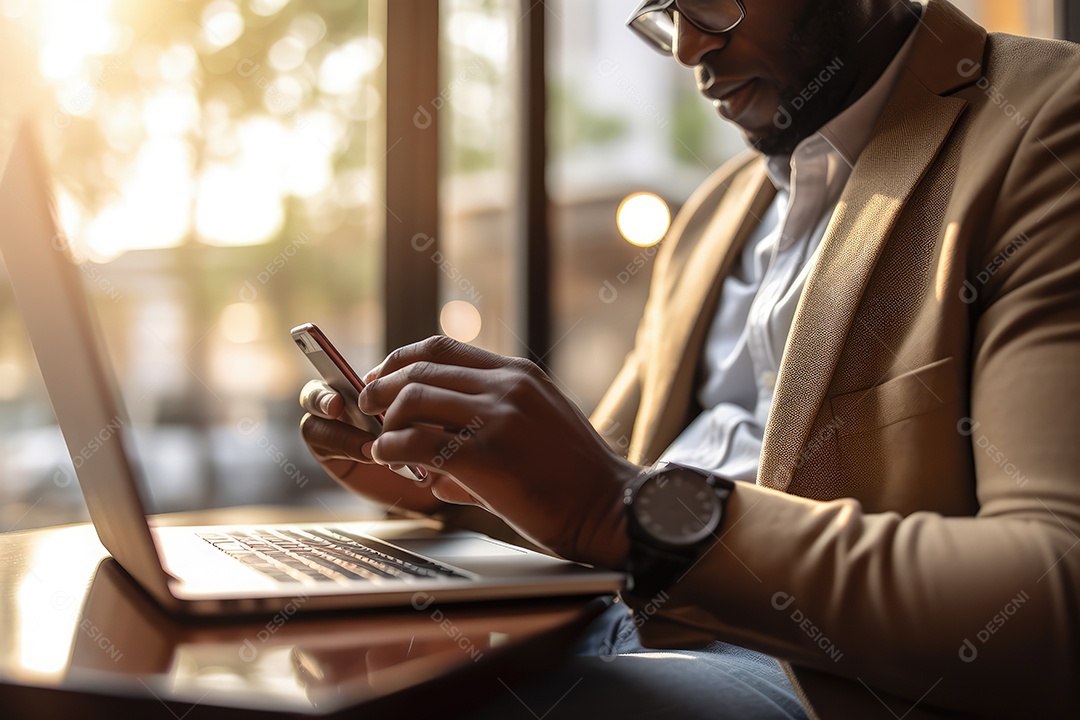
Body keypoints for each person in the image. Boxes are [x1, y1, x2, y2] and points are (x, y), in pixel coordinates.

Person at [299, 0, 1080, 716]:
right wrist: (454, 484)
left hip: (819, 682)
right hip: (614, 625)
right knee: (308, 660)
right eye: (665, 13)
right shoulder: (717, 210)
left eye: (712, 2)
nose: (687, 48)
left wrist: (626, 511)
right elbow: (604, 490)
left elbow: (1054, 593)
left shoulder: (1045, 127)